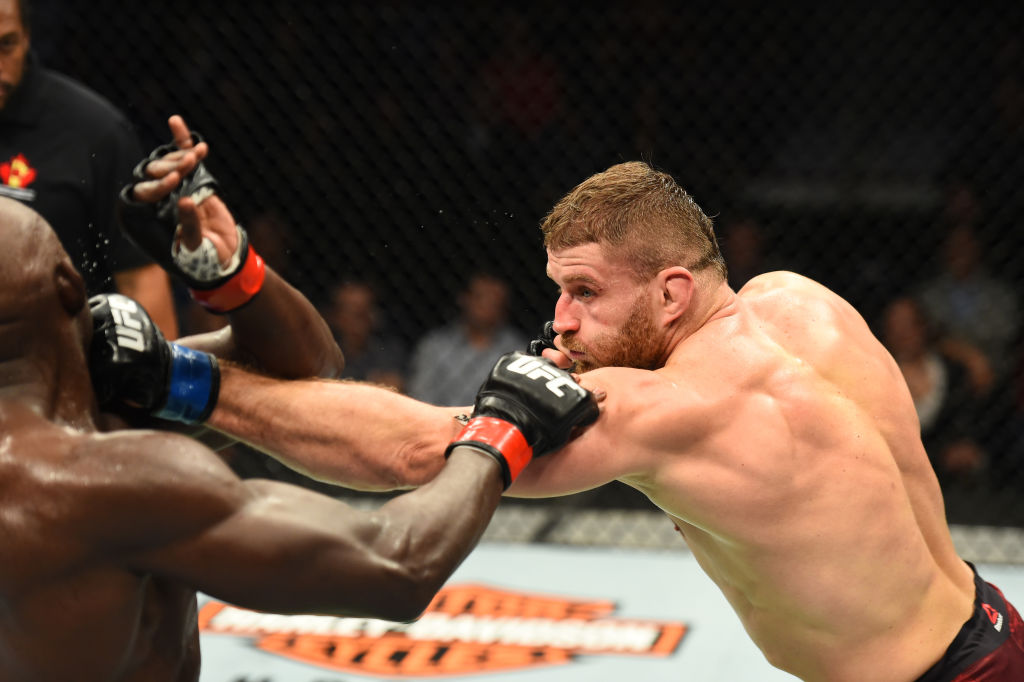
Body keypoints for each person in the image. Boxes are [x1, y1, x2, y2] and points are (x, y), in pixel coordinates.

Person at [153, 161, 1024, 680]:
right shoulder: (799, 302)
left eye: (585, 293)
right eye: (558, 291)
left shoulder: (672, 409)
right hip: (990, 626)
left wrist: (185, 382)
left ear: (673, 291)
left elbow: (422, 449)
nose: (561, 322)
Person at [0, 120, 598, 679]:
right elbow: (395, 565)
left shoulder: (109, 401)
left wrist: (224, 269)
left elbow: (308, 367)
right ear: (70, 286)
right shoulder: (111, 482)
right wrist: (505, 424)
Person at [0, 0, 178, 336]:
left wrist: (159, 385)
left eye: (6, 44)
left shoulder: (93, 132)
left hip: (65, 368)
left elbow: (141, 280)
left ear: (27, 36)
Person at [406, 271, 528, 406]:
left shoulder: (518, 350)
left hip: (495, 424)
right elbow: (420, 398)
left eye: (495, 301)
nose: (488, 306)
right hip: (440, 422)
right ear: (464, 299)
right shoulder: (435, 346)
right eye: (482, 298)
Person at [324, 278, 407, 391]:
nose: (360, 321)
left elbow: (394, 387)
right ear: (335, 316)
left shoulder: (389, 352)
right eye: (352, 313)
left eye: (365, 312)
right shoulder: (324, 353)